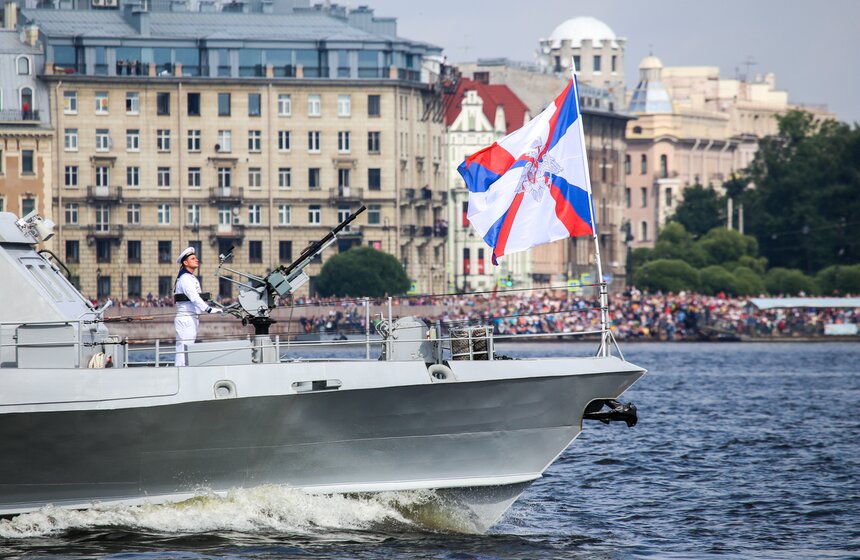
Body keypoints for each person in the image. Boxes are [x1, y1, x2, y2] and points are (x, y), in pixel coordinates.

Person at [174, 246, 221, 366]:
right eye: (193, 258)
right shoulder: (185, 278)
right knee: (183, 350)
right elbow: (194, 297)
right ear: (185, 263)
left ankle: (183, 370)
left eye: (196, 258)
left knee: (186, 348)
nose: (197, 260)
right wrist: (208, 309)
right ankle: (179, 371)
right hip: (186, 317)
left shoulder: (190, 277)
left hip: (191, 317)